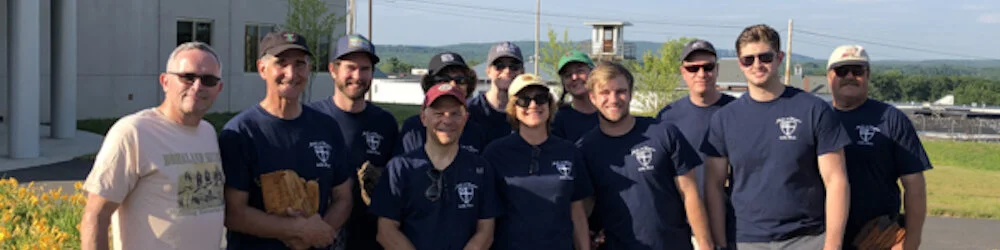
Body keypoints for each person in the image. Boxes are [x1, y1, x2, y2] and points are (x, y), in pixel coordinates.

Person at [701, 24, 851, 250]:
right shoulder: (724, 119)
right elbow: (713, 185)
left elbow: (836, 180)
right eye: (748, 60)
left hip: (807, 238)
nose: (757, 65)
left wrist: (833, 245)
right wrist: (720, 243)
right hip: (745, 240)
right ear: (740, 63)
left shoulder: (814, 110)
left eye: (765, 57)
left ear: (779, 58)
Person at [80, 42, 226, 250]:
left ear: (218, 89)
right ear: (165, 81)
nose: (197, 86)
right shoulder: (134, 132)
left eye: (208, 80)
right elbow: (96, 216)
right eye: (187, 77)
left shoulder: (208, 133)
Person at [220, 31, 353, 250]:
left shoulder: (327, 127)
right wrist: (297, 230)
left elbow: (343, 197)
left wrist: (316, 233)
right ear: (262, 68)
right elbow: (234, 213)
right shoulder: (241, 133)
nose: (291, 74)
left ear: (309, 69)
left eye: (300, 64)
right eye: (281, 63)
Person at [576, 62, 713, 250]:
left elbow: (690, 193)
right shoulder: (584, 149)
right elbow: (582, 208)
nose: (613, 99)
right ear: (592, 97)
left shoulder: (663, 133)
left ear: (631, 94)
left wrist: (705, 244)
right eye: (605, 93)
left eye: (620, 91)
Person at [825, 45, 931, 250]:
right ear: (829, 76)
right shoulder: (818, 118)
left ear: (868, 75)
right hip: (822, 236)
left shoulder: (891, 119)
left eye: (857, 71)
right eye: (842, 71)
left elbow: (915, 186)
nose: (850, 76)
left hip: (876, 237)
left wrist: (911, 241)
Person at [370, 83, 500, 250]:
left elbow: (486, 231)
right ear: (423, 118)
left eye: (455, 114)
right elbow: (386, 231)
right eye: (439, 113)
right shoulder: (400, 168)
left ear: (465, 118)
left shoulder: (480, 168)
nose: (447, 120)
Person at [483, 74, 593, 250]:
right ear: (513, 108)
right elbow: (485, 217)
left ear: (549, 104)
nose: (533, 105)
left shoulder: (569, 151)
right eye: (524, 100)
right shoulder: (495, 153)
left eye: (540, 98)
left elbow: (577, 211)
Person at [306, 34, 396, 250]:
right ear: (333, 70)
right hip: (318, 237)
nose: (357, 76)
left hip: (369, 239)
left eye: (365, 69)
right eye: (350, 68)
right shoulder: (310, 119)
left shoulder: (385, 123)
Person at [654, 39, 738, 249]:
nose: (701, 74)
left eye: (708, 67)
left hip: (734, 224)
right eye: (693, 68)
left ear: (717, 69)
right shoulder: (667, 117)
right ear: (683, 72)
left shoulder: (737, 111)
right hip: (684, 227)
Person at [396, 52, 487, 155]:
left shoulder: (476, 130)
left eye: (460, 80)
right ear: (429, 85)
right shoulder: (413, 128)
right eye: (443, 80)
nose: (452, 85)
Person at [467, 41, 525, 145]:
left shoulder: (529, 112)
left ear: (522, 72)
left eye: (514, 66)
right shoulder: (470, 111)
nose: (507, 71)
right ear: (488, 71)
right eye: (499, 66)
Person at [552, 50, 599, 142]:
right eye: (568, 75)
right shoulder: (558, 120)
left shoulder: (608, 112)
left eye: (580, 71)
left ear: (593, 73)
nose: (574, 77)